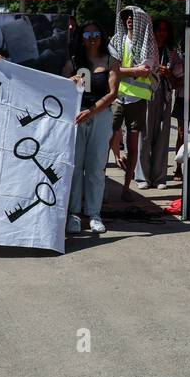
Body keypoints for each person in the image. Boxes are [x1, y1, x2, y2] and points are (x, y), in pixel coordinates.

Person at [66, 20, 119, 235]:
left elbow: (112, 94)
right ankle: (74, 214)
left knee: (96, 167)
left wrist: (92, 111)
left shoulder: (110, 61)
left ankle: (94, 214)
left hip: (100, 116)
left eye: (95, 33)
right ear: (80, 39)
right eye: (87, 35)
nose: (92, 38)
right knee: (76, 167)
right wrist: (68, 80)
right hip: (77, 117)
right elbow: (60, 84)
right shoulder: (73, 60)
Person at [108, 6, 157, 197]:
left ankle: (127, 188)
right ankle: (104, 179)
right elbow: (112, 68)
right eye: (126, 16)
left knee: (133, 144)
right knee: (108, 138)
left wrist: (121, 70)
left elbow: (145, 70)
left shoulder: (148, 43)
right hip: (116, 96)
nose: (129, 19)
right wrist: (131, 71)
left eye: (133, 17)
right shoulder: (116, 40)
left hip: (137, 99)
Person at [138, 18, 176, 189]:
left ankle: (159, 178)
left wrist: (168, 74)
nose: (161, 33)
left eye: (164, 30)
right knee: (144, 135)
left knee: (162, 135)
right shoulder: (144, 50)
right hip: (145, 93)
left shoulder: (173, 53)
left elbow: (178, 82)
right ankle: (142, 177)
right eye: (158, 30)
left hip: (164, 95)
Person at [171, 30, 190, 177]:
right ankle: (178, 167)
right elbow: (175, 83)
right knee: (182, 134)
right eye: (189, 43)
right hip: (183, 99)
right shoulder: (180, 62)